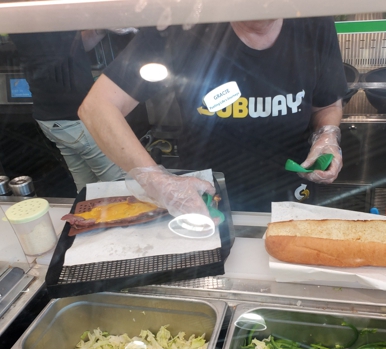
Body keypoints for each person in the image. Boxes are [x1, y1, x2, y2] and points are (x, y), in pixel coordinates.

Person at [78, 17, 347, 216]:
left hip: (291, 193)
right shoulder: (185, 24)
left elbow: (326, 105)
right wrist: (157, 183)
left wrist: (327, 136)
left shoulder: (314, 20)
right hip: (208, 197)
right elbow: (97, 107)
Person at [9, 30, 126, 192]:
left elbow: (76, 44)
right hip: (76, 119)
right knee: (123, 188)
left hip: (51, 119)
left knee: (87, 190)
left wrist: (104, 26)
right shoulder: (46, 14)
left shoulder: (26, 20)